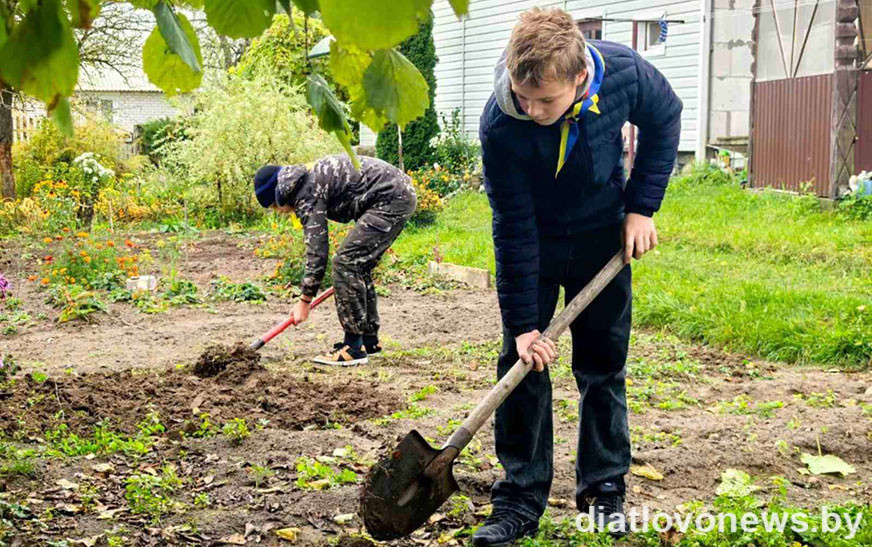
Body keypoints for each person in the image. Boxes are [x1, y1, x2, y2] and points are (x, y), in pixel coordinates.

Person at [474, 7, 682, 544]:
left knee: (602, 365)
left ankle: (604, 491)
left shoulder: (625, 73)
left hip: (601, 236)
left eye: (546, 100)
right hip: (537, 242)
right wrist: (524, 325)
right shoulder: (501, 123)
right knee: (521, 367)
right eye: (524, 96)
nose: (532, 109)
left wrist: (642, 207)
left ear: (581, 77)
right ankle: (519, 498)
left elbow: (665, 118)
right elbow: (512, 225)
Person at [253, 154, 416, 366]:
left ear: (278, 195)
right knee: (357, 265)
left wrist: (304, 301)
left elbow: (317, 250)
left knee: (345, 262)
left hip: (391, 198)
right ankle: (368, 341)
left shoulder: (306, 192)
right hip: (394, 194)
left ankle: (353, 348)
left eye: (275, 207)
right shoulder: (305, 180)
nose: (281, 212)